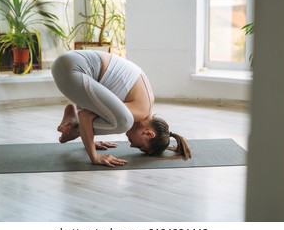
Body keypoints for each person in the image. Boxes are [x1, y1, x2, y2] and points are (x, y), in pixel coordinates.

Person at [51, 50, 191, 167]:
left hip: (70, 66)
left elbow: (96, 102)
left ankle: (74, 121)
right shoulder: (140, 111)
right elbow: (86, 115)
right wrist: (95, 156)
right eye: (140, 146)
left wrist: (90, 139)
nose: (131, 146)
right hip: (73, 71)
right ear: (148, 133)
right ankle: (75, 126)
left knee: (116, 117)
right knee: (123, 123)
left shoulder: (146, 104)